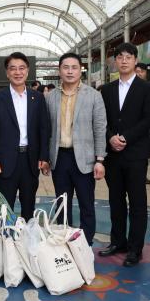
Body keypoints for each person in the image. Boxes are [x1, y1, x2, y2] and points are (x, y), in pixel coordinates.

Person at [100, 42, 150, 267]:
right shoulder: (106, 89)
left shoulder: (148, 89)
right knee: (115, 200)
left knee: (137, 202)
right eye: (120, 57)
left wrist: (125, 138)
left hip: (135, 153)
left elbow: (149, 118)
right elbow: (101, 120)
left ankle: (135, 248)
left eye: (128, 57)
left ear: (135, 60)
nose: (124, 60)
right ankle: (118, 242)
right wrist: (110, 138)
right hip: (112, 155)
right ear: (115, 61)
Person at [46, 53, 106, 245]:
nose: (70, 71)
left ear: (81, 70)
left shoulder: (94, 95)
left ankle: (85, 244)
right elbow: (46, 129)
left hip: (85, 159)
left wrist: (100, 159)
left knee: (86, 204)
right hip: (59, 158)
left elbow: (100, 128)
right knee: (62, 204)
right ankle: (64, 243)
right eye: (66, 67)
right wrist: (45, 157)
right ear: (59, 71)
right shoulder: (50, 97)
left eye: (74, 67)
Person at [0, 52, 49, 220]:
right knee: (5, 209)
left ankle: (27, 235)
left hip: (30, 160)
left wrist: (44, 156)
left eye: (21, 68)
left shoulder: (38, 98)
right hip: (5, 161)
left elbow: (44, 129)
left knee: (29, 206)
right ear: (7, 73)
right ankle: (5, 236)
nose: (17, 72)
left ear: (27, 71)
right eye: (13, 68)